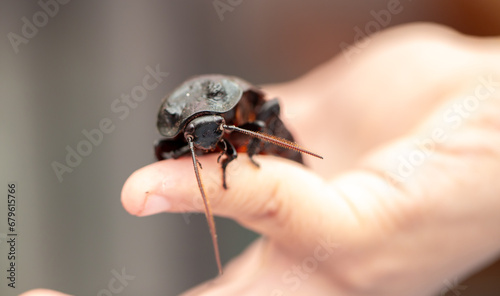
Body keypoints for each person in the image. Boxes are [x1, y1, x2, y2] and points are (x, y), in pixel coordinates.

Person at [22, 23, 500, 296]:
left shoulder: (245, 113)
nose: (211, 145)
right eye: (198, 141)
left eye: (218, 136)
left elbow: (265, 111)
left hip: (257, 128)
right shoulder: (180, 136)